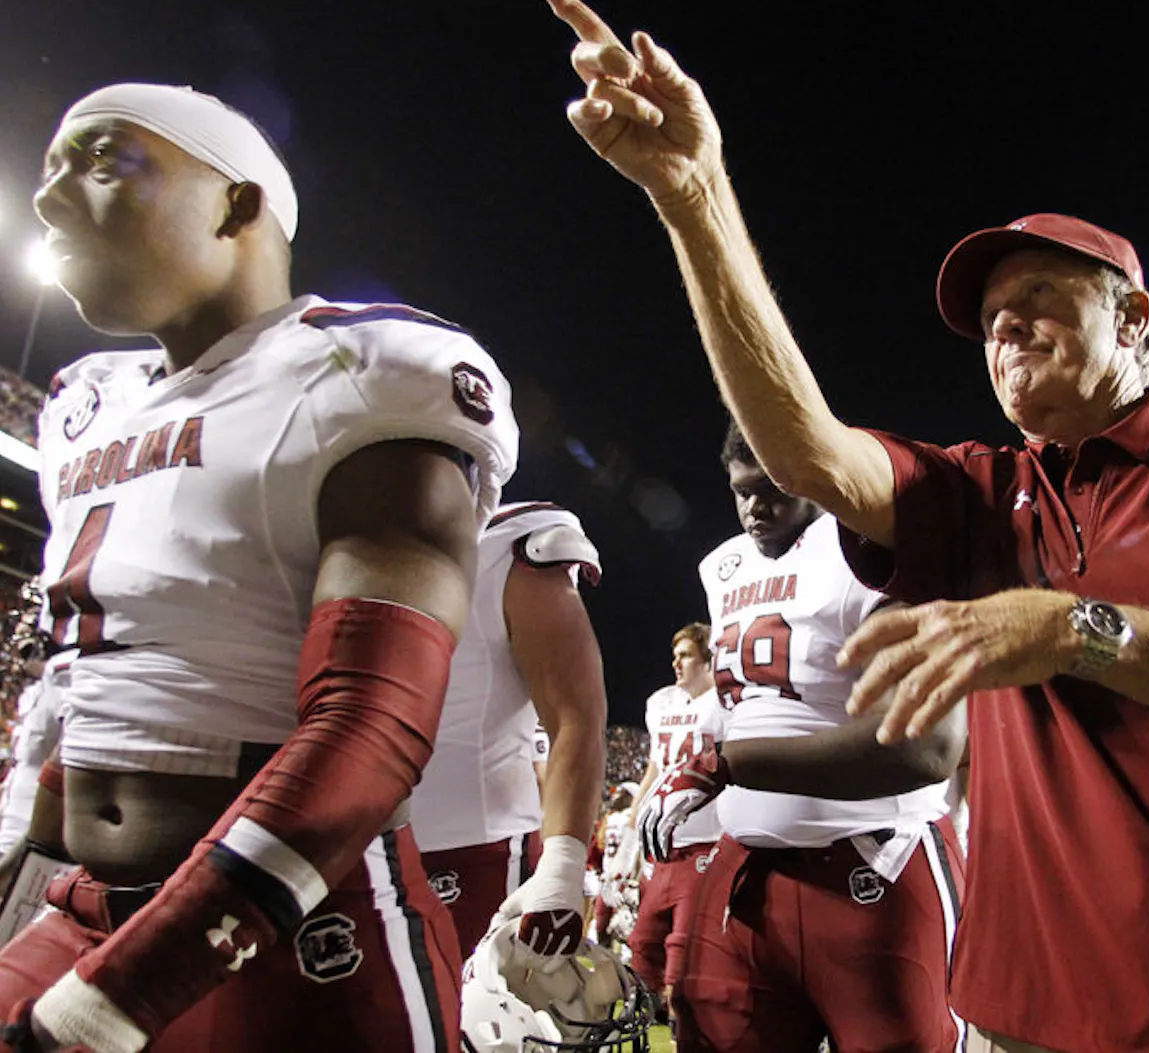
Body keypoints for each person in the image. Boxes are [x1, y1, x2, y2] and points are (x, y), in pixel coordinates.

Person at [544, 0, 1149, 1053]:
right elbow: (803, 448)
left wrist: (1068, 628)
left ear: (1132, 317)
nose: (1006, 326)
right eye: (991, 320)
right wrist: (694, 195)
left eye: (1041, 296)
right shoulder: (983, 494)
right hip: (1035, 1020)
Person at [1, 82, 518, 1053]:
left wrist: (105, 1005)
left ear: (237, 204)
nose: (50, 199)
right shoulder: (84, 408)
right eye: (50, 170)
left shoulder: (361, 371)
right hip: (77, 908)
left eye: (102, 162)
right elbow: (67, 703)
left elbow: (371, 729)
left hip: (296, 946)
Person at [633, 424, 964, 1053]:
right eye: (742, 492)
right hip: (750, 872)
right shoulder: (722, 566)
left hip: (874, 867)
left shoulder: (868, 547)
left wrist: (724, 765)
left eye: (774, 490)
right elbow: (745, 708)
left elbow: (924, 747)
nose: (757, 507)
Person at [410, 500, 606, 956]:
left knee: (481, 1024)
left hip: (473, 854)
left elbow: (576, 715)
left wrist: (562, 866)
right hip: (343, 846)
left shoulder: (506, 543)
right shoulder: (308, 533)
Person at [616, 622, 722, 1007]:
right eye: (675, 655)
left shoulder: (728, 702)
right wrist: (627, 843)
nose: (675, 663)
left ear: (710, 661)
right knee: (642, 947)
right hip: (662, 849)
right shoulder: (662, 704)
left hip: (707, 846)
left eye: (686, 655)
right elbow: (654, 771)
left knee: (686, 960)